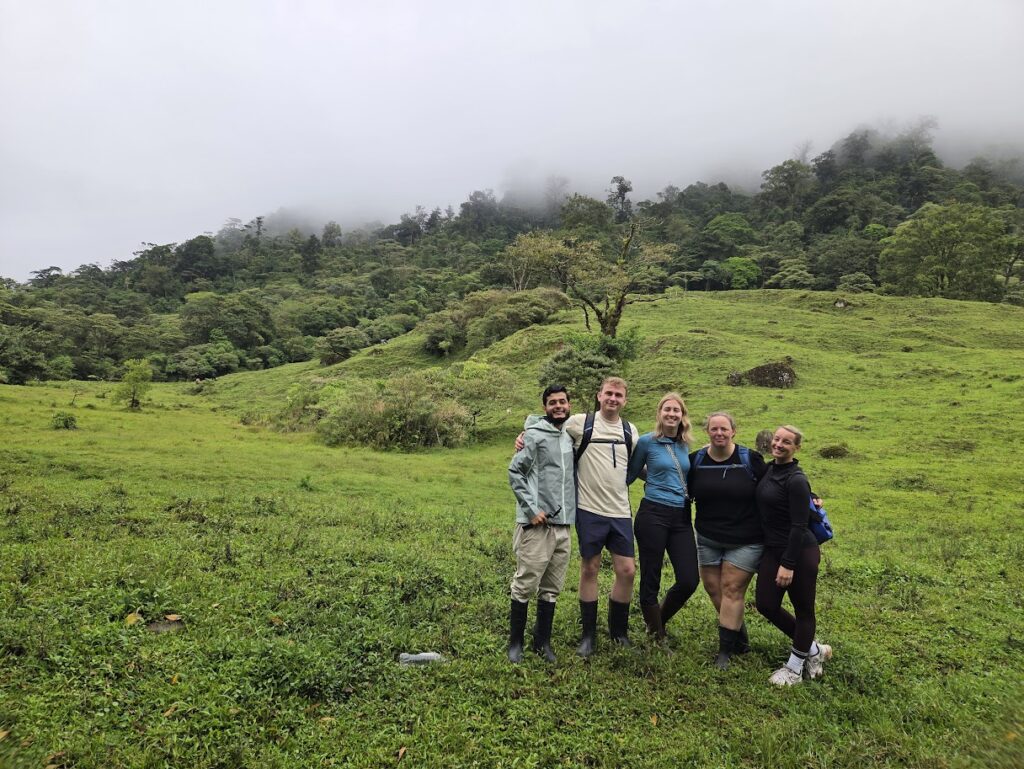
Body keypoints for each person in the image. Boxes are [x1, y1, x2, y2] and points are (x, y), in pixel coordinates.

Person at [687, 412, 768, 669]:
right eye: (714, 429)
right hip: (707, 537)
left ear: (734, 431)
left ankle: (725, 652)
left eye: (724, 429)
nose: (719, 433)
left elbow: (775, 483)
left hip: (746, 539)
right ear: (707, 432)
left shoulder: (750, 459)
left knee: (732, 589)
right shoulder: (696, 460)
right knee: (714, 589)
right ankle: (738, 636)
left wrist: (808, 494)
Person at [754, 425, 832, 685]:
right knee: (766, 604)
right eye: (777, 439)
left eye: (786, 442)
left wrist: (788, 564)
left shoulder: (797, 479)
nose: (779, 444)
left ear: (796, 448)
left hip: (800, 552)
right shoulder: (769, 470)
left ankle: (794, 668)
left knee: (804, 610)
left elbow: (799, 525)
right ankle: (814, 650)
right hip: (773, 549)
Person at [506, 384, 576, 663]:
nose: (558, 406)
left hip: (564, 525)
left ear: (569, 405)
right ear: (545, 407)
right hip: (537, 526)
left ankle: (542, 642)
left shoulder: (571, 435)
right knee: (525, 584)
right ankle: (515, 643)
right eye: (552, 402)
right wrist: (532, 510)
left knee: (552, 588)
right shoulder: (534, 436)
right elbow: (515, 471)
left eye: (562, 401)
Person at [625, 392, 698, 644]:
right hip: (653, 513)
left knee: (689, 579)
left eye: (676, 410)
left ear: (682, 415)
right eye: (667, 409)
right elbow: (630, 474)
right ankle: (657, 635)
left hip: (681, 517)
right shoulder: (647, 442)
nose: (671, 414)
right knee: (651, 576)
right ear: (659, 413)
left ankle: (657, 622)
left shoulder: (685, 445)